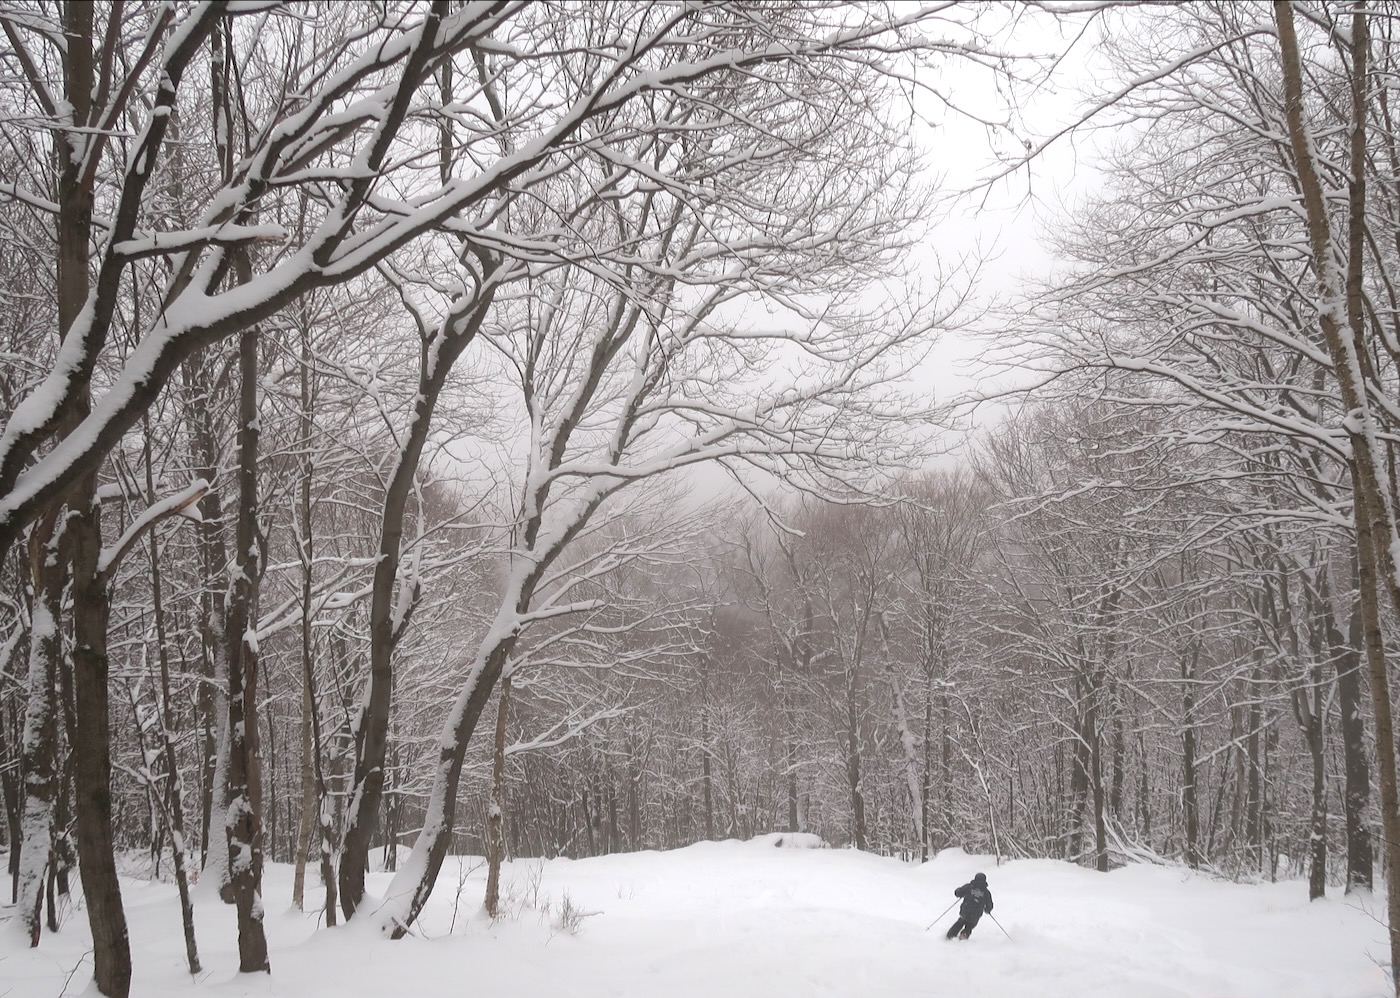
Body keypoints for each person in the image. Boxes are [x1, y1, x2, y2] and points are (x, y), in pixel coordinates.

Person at [945, 872, 993, 940]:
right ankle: (964, 935)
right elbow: (989, 905)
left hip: (965, 910)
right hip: (976, 914)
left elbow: (959, 892)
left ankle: (950, 935)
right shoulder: (986, 892)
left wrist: (958, 892)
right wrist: (987, 909)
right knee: (970, 926)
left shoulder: (969, 887)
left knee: (960, 923)